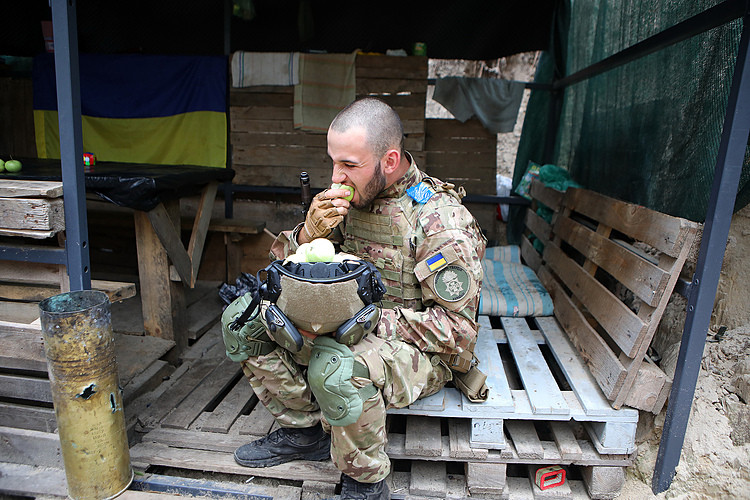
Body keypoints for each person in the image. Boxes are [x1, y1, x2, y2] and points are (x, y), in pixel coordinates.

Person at [226, 97, 486, 500]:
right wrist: (308, 236)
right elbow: (290, 273)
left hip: (418, 349)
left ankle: (366, 482)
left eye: (349, 165)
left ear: (389, 159)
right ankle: (305, 431)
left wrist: (366, 320)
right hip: (344, 325)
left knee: (336, 368)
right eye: (333, 161)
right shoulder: (351, 199)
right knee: (241, 322)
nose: (336, 178)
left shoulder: (439, 221)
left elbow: (457, 333)